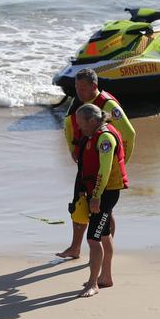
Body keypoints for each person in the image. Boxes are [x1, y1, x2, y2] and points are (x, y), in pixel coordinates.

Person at [57, 68, 135, 260]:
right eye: (76, 88)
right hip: (84, 162)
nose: (79, 92)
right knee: (78, 205)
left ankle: (106, 251)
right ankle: (75, 248)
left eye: (82, 88)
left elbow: (129, 134)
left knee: (104, 210)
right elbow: (68, 126)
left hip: (103, 166)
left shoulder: (107, 104)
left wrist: (120, 164)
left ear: (94, 86)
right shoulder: (78, 101)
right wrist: (72, 150)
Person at [73, 104, 129, 297]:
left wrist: (96, 197)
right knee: (104, 235)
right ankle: (105, 277)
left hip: (106, 193)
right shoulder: (93, 134)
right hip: (99, 192)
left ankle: (93, 283)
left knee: (93, 239)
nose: (80, 128)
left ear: (93, 120)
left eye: (82, 124)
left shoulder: (105, 138)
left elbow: (104, 172)